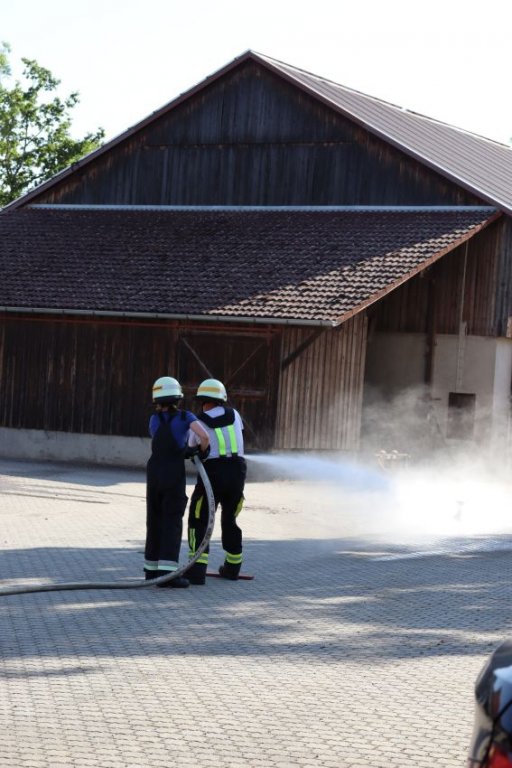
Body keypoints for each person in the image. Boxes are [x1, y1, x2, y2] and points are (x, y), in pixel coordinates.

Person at [144, 376, 209, 588]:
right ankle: (168, 575)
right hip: (173, 474)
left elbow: (160, 440)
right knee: (172, 521)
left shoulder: (154, 420)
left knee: (154, 520)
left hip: (154, 473)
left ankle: (151, 572)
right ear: (177, 397)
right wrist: (197, 451)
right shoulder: (185, 417)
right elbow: (204, 436)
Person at [186, 378, 246, 585]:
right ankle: (233, 568)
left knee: (199, 517)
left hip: (212, 473)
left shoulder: (199, 421)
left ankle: (196, 571)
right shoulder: (235, 415)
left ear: (203, 400)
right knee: (230, 519)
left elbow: (192, 446)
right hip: (238, 471)